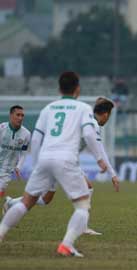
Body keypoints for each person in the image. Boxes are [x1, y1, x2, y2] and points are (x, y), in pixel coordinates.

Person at [0, 71, 108, 257]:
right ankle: (66, 244)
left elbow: (35, 139)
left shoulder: (48, 109)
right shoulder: (82, 108)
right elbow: (90, 135)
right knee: (82, 205)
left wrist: (35, 163)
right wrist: (99, 158)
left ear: (59, 88)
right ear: (78, 89)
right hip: (65, 159)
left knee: (27, 202)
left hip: (44, 158)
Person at [3, 97, 119, 236]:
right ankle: (80, 230)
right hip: (64, 160)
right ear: (105, 114)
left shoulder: (81, 119)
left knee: (44, 199)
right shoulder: (92, 124)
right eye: (109, 115)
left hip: (51, 155)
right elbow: (100, 151)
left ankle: (11, 203)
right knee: (86, 189)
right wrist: (112, 173)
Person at [0, 105, 30, 201]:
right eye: (18, 115)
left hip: (7, 170)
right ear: (11, 115)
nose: (20, 118)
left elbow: (24, 153)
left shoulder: (26, 134)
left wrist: (18, 167)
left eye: (22, 115)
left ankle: (9, 202)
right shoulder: (1, 128)